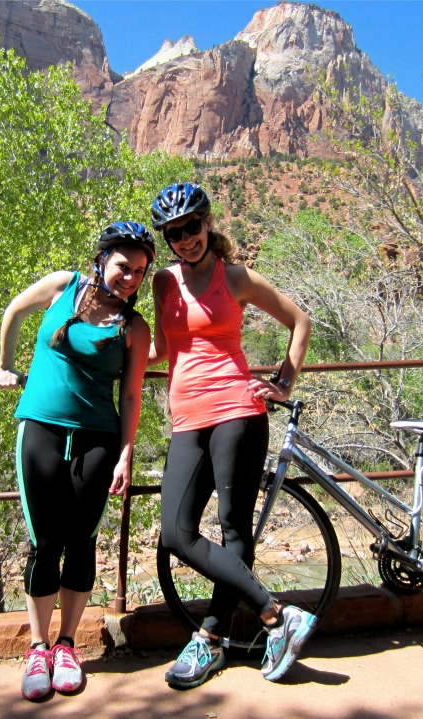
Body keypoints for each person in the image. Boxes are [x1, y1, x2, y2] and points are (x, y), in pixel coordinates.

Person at [148, 182, 314, 688]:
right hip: (186, 418)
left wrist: (284, 382)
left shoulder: (235, 277)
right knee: (176, 532)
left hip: (238, 411)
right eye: (174, 234)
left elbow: (299, 321)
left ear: (207, 222)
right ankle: (276, 614)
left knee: (234, 529)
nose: (185, 239)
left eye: (191, 227)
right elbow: (160, 348)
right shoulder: (163, 282)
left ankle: (210, 640)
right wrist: (102, 346)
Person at [0, 221, 154, 701]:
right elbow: (13, 311)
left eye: (140, 272)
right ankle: (37, 648)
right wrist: (4, 366)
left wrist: (126, 454)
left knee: (81, 543)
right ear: (102, 259)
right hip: (40, 429)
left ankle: (67, 645)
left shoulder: (133, 327)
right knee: (44, 542)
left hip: (98, 440)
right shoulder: (62, 286)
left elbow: (131, 396)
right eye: (124, 266)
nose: (131, 278)